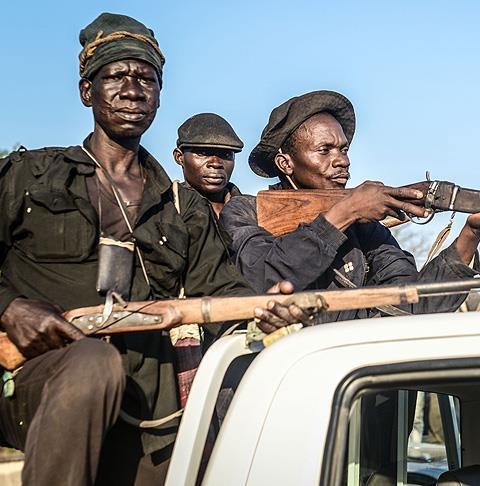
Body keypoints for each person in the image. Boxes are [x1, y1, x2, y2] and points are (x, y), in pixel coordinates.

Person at [0, 13, 302, 485]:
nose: (132, 90)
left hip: (148, 413)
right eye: (116, 77)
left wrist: (266, 309)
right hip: (37, 381)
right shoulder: (29, 177)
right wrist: (10, 306)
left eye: (146, 80)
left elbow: (221, 293)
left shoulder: (184, 205)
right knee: (92, 363)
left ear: (159, 96)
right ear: (87, 91)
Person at [220, 90, 480, 320]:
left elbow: (416, 307)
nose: (342, 161)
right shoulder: (246, 211)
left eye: (343, 149)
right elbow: (263, 277)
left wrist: (472, 234)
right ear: (286, 163)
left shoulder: (364, 228)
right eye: (325, 150)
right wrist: (346, 211)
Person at [173, 112, 244, 217]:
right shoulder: (164, 209)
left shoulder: (256, 211)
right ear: (179, 157)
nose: (216, 163)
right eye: (203, 153)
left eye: (226, 154)